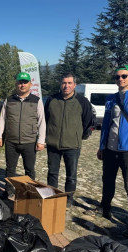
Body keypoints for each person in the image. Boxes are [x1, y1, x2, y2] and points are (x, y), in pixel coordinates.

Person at [90, 65, 128, 238]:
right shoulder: (110, 99)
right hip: (110, 149)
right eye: (117, 77)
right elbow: (106, 124)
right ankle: (105, 209)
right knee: (107, 181)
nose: (120, 79)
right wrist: (101, 146)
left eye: (124, 76)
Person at [44, 73, 93, 208]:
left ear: (74, 85)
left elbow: (87, 121)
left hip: (72, 145)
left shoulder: (82, 101)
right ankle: (51, 196)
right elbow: (46, 118)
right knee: (52, 173)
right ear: (60, 84)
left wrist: (79, 136)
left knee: (71, 175)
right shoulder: (51, 99)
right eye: (64, 83)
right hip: (53, 143)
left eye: (69, 83)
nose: (66, 86)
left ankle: (69, 198)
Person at [0, 72, 46, 180]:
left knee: (29, 170)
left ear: (30, 85)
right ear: (16, 84)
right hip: (11, 141)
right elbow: (2, 119)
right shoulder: (9, 100)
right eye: (20, 82)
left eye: (25, 82)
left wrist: (41, 141)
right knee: (10, 169)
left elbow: (42, 121)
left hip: (29, 142)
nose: (23, 85)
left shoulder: (36, 101)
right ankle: (9, 192)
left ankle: (29, 194)